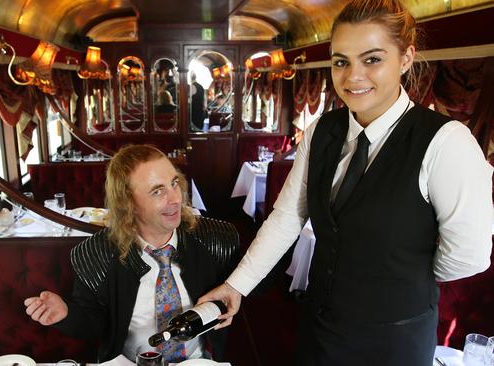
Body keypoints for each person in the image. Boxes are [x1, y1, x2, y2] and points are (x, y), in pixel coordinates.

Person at [198, 0, 493, 365]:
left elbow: (468, 258)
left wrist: (402, 273)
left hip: (394, 340)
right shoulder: (323, 130)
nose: (353, 77)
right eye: (341, 61)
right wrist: (236, 285)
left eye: (372, 59)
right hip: (321, 328)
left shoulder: (447, 142)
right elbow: (287, 217)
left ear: (406, 58)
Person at [24, 144, 239, 364]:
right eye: (157, 191)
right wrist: (66, 313)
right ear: (128, 204)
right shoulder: (96, 254)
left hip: (197, 361)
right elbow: (96, 323)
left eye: (174, 183)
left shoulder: (213, 239)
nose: (175, 199)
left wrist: (239, 287)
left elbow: (259, 281)